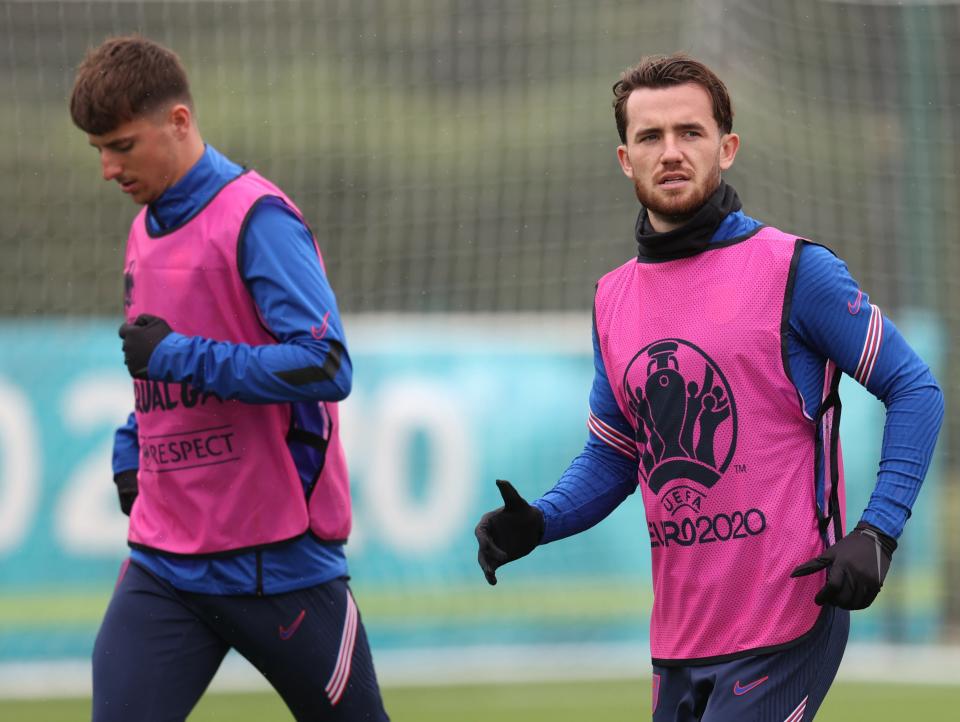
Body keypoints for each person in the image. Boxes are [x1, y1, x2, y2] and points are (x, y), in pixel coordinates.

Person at [475, 53, 943, 721]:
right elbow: (615, 457)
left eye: (690, 133)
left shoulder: (796, 270)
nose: (671, 151)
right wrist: (542, 521)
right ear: (624, 158)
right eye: (651, 136)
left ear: (726, 148)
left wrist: (879, 530)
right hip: (679, 642)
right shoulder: (612, 299)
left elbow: (915, 389)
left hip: (787, 624)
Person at [70, 35, 389, 722]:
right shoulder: (143, 228)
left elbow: (327, 363)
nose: (106, 167)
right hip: (166, 564)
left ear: (178, 122)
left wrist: (181, 356)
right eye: (98, 148)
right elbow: (157, 377)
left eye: (121, 145)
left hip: (278, 566)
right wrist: (132, 449)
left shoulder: (257, 219)